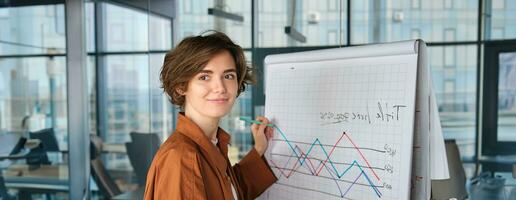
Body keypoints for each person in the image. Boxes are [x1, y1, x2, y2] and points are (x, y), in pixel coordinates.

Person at [144, 31, 277, 200]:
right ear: (181, 86)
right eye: (205, 77)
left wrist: (259, 149)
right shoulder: (183, 158)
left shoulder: (210, 144)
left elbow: (231, 192)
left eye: (228, 76)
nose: (220, 87)